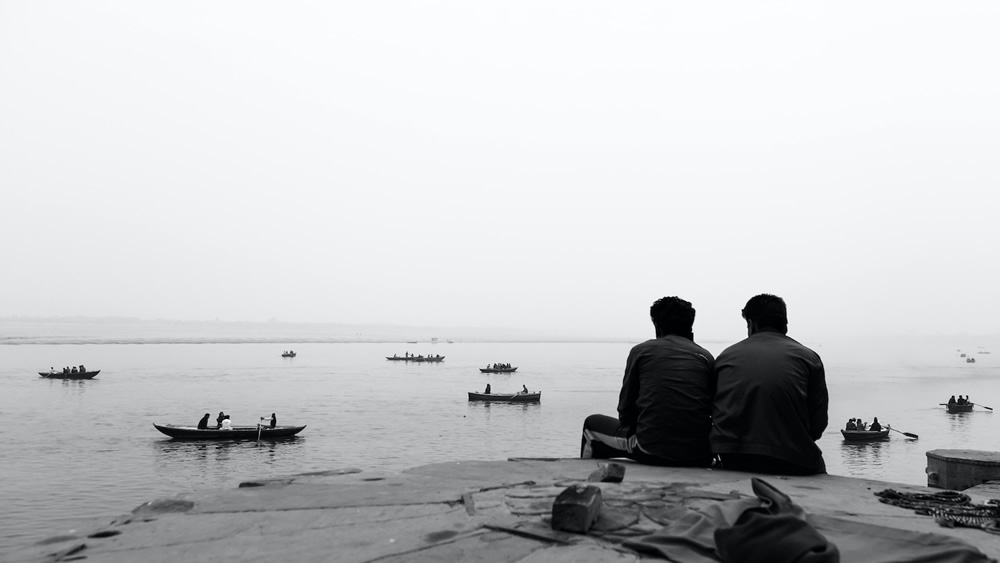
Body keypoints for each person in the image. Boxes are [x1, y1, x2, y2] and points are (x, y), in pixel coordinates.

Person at [581, 296, 715, 467]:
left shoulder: (641, 352)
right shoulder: (706, 357)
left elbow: (625, 411)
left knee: (591, 425)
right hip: (698, 453)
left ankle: (587, 482)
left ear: (657, 326)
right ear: (690, 326)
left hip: (651, 450)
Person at [711, 294, 829, 475]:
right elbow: (818, 424)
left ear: (752, 324)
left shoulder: (726, 356)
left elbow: (714, 410)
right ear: (785, 324)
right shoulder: (808, 358)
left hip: (733, 457)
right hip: (790, 459)